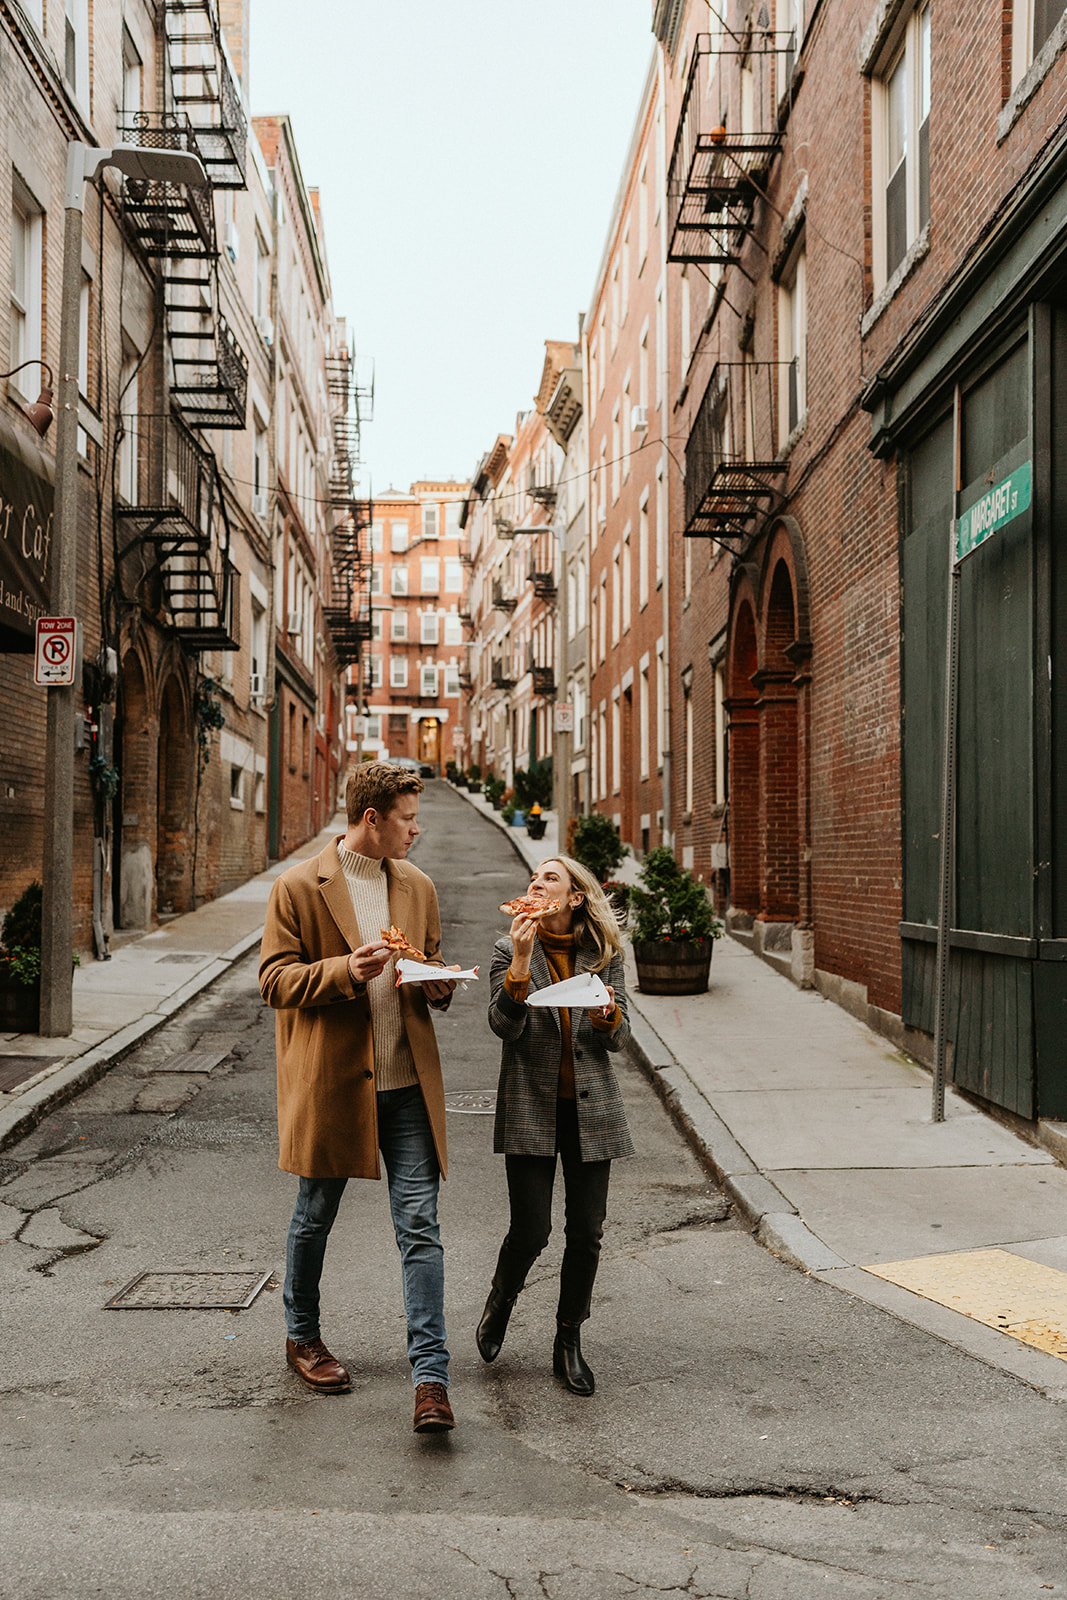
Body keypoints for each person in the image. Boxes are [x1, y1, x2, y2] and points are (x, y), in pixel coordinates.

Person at [259, 762, 459, 1433]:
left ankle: (430, 1379)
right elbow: (274, 981)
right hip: (334, 1083)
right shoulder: (299, 885)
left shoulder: (419, 887)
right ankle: (302, 1337)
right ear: (371, 818)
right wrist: (347, 970)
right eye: (406, 818)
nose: (415, 829)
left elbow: (432, 965)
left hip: (406, 1088)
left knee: (420, 1228)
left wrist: (435, 982)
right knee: (314, 1215)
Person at [478, 855, 634, 1395]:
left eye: (551, 878)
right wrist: (520, 963)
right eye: (532, 878)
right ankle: (501, 1300)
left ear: (573, 898)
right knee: (532, 1229)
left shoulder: (604, 955)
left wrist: (607, 1012)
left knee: (586, 1234)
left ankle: (568, 1339)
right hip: (531, 1103)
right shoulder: (508, 950)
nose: (536, 883)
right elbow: (504, 1027)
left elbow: (618, 1038)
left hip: (591, 1109)